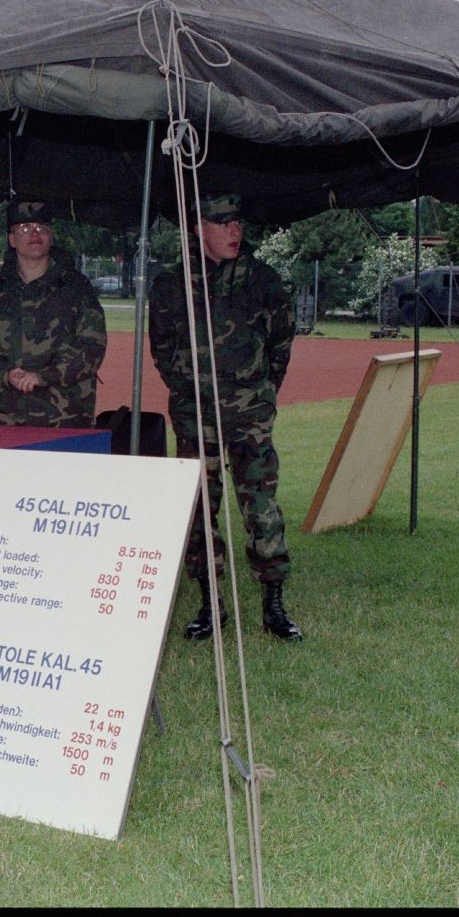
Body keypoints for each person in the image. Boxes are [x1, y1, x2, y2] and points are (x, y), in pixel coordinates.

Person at [148, 192, 303, 641]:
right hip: (196, 417)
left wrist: (260, 396)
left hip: (250, 416)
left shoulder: (264, 282)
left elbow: (280, 346)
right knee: (198, 510)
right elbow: (162, 348)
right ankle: (209, 604)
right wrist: (187, 387)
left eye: (237, 221)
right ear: (198, 229)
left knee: (262, 508)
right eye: (222, 222)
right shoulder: (171, 286)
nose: (234, 230)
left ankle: (274, 604)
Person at [0, 198, 106, 427]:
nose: (34, 234)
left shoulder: (76, 288)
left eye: (42, 228)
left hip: (65, 417)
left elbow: (92, 349)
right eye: (25, 228)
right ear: (12, 239)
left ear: (51, 238)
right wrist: (6, 374)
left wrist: (42, 377)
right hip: (6, 416)